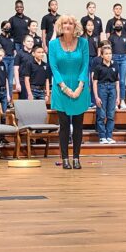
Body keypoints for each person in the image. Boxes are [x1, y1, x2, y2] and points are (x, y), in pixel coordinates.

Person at [48, 15, 91, 170]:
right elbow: (54, 68)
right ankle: (65, 158)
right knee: (64, 125)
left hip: (80, 87)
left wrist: (80, 87)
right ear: (60, 26)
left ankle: (76, 158)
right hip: (61, 88)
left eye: (70, 23)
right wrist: (65, 88)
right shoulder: (53, 44)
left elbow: (85, 66)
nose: (67, 25)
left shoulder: (84, 43)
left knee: (78, 125)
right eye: (64, 23)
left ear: (75, 26)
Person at [93, 46, 121, 145]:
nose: (109, 55)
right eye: (106, 54)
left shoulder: (115, 66)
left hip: (112, 89)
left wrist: (118, 97)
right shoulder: (98, 67)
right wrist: (96, 96)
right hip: (102, 88)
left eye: (110, 53)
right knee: (101, 114)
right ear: (102, 55)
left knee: (111, 114)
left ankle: (109, 136)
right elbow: (95, 83)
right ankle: (102, 136)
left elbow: (117, 82)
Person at [107, 15, 126, 109]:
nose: (119, 25)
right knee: (115, 81)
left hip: (124, 59)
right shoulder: (111, 37)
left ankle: (122, 101)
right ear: (114, 26)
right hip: (114, 59)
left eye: (120, 24)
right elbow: (108, 51)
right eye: (117, 24)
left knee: (122, 81)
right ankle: (115, 102)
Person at [0, 21, 17, 88]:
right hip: (4, 59)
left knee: (10, 82)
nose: (8, 28)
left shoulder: (12, 38)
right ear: (2, 27)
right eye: (6, 26)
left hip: (12, 59)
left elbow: (14, 50)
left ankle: (10, 97)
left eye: (9, 26)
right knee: (4, 80)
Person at [14, 35, 35, 100]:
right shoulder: (19, 54)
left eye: (32, 41)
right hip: (22, 81)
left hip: (33, 82)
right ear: (24, 43)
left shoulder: (35, 53)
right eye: (28, 41)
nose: (30, 43)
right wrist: (17, 83)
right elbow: (16, 69)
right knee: (24, 102)